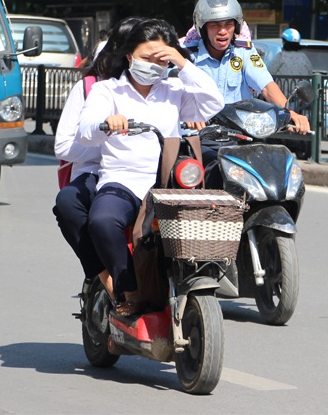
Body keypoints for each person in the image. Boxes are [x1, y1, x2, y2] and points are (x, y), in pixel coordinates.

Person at [76, 19, 224, 316]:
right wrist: (108, 124)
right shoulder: (108, 91)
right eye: (146, 57)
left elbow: (213, 102)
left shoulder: (175, 89)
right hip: (122, 182)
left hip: (168, 184)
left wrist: (182, 63)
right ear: (129, 56)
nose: (152, 65)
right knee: (103, 221)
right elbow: (86, 131)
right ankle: (126, 287)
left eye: (161, 59)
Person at [52, 16, 142, 285]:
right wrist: (101, 138)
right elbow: (64, 146)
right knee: (68, 203)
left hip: (142, 173)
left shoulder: (163, 87)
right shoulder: (92, 88)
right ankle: (107, 278)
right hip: (97, 173)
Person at [187, 0, 310, 134]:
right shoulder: (187, 57)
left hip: (239, 138)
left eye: (228, 24)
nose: (223, 31)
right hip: (197, 138)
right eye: (215, 25)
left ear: (236, 27)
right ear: (203, 29)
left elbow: (266, 86)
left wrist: (290, 113)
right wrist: (188, 112)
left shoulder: (244, 52)